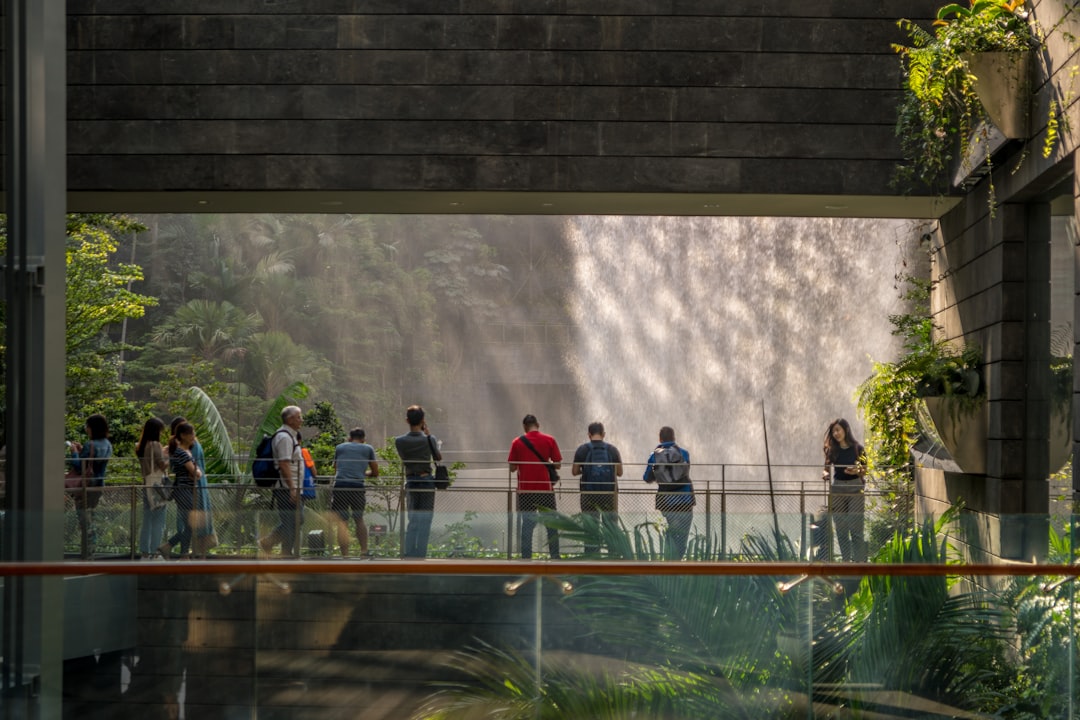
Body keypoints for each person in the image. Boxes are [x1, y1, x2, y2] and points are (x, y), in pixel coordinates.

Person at [508, 414, 562, 559]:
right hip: (546, 490)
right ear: (538, 424)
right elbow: (557, 464)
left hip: (526, 490)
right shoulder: (549, 440)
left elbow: (512, 467)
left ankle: (526, 557)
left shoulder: (517, 442)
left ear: (524, 427)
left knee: (527, 525)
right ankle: (555, 557)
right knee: (551, 524)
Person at [395, 405, 441, 558]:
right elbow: (438, 458)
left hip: (411, 481)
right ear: (423, 420)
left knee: (412, 519)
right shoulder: (429, 439)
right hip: (427, 481)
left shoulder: (399, 441)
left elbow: (404, 458)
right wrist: (428, 434)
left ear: (407, 420)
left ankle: (409, 554)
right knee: (426, 520)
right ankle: (421, 555)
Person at [571, 421, 623, 556]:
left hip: (589, 494)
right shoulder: (612, 450)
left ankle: (592, 559)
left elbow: (574, 471)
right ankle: (613, 557)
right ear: (603, 434)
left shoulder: (582, 450)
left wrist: (587, 470)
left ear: (589, 434)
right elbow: (620, 472)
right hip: (609, 494)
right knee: (610, 526)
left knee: (590, 528)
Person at [643, 426, 694, 560]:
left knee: (671, 533)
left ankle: (668, 565)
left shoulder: (654, 456)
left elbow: (646, 478)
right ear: (674, 438)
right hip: (685, 500)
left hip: (666, 502)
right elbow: (685, 471)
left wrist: (659, 475)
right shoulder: (684, 453)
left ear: (660, 439)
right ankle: (678, 564)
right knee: (682, 535)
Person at [260, 405, 304, 557]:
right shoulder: (284, 437)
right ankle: (282, 550)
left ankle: (277, 546)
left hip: (291, 486)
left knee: (295, 520)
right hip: (286, 487)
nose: (301, 420)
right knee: (291, 521)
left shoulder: (290, 436)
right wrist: (292, 488)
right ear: (290, 419)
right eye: (299, 417)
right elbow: (284, 464)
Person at [822, 418, 867, 562]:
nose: (835, 434)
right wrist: (826, 475)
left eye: (838, 430)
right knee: (841, 529)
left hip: (855, 489)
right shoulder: (832, 450)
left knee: (856, 528)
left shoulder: (858, 448)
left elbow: (865, 470)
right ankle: (846, 561)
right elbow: (825, 469)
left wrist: (856, 471)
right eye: (833, 431)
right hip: (838, 489)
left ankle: (859, 562)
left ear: (845, 430)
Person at [70, 413, 113, 558]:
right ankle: (91, 550)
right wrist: (83, 450)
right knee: (91, 517)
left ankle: (87, 553)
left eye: (87, 426)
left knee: (84, 519)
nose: (86, 429)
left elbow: (79, 467)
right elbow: (94, 463)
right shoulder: (107, 444)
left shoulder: (91, 444)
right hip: (99, 485)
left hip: (86, 487)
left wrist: (75, 453)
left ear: (92, 428)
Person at [333, 427, 379, 557]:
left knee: (342, 521)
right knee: (359, 519)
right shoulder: (368, 448)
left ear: (349, 438)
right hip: (357, 486)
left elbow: (335, 467)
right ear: (363, 439)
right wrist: (364, 474)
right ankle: (364, 551)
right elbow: (375, 472)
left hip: (340, 486)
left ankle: (345, 556)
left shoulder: (340, 447)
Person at [160, 422, 201, 559]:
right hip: (182, 489)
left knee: (190, 524)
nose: (194, 436)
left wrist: (195, 471)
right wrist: (195, 472)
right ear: (183, 435)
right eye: (192, 434)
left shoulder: (186, 451)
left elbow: (195, 471)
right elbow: (196, 472)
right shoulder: (180, 452)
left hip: (188, 489)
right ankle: (179, 552)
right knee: (190, 523)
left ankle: (175, 550)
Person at [137, 417, 170, 559]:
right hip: (157, 486)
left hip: (147, 484)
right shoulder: (155, 444)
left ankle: (144, 551)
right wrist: (168, 456)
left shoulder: (141, 445)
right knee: (158, 520)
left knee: (147, 519)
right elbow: (162, 465)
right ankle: (155, 552)